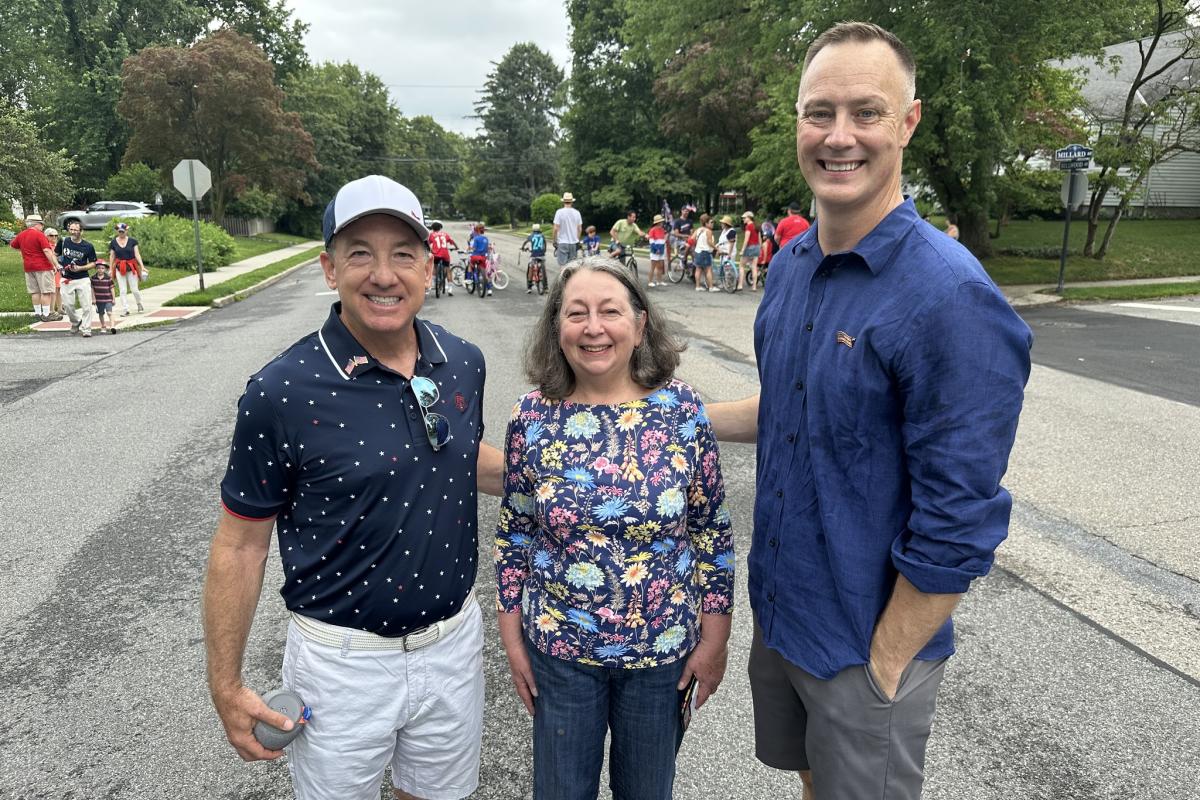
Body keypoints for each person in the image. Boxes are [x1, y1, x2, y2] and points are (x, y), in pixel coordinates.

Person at [705, 22, 1032, 800]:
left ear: (908, 122)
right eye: (819, 112)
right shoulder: (790, 268)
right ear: (797, 124)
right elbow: (792, 410)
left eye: (867, 112)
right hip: (787, 615)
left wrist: (888, 661)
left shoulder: (951, 298)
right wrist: (663, 412)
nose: (839, 136)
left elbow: (962, 518)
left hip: (867, 645)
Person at [203, 175, 504, 800]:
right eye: (360, 252)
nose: (384, 274)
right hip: (342, 665)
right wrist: (225, 683)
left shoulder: (463, 360)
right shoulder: (281, 392)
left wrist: (585, 470)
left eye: (402, 253)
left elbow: (453, 454)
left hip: (451, 646)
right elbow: (240, 546)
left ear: (429, 264)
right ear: (328, 268)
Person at [495, 256, 734, 800]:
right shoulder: (531, 417)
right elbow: (515, 534)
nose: (593, 328)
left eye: (610, 311)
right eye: (576, 313)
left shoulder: (682, 409)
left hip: (660, 656)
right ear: (557, 327)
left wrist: (715, 638)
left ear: (640, 323)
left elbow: (711, 530)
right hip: (560, 651)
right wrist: (512, 638)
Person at [9, 214, 62, 321]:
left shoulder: (22, 235)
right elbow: (47, 251)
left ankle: (37, 313)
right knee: (46, 291)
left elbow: (12, 245)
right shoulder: (39, 235)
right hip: (43, 266)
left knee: (35, 291)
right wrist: (56, 264)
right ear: (37, 224)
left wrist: (25, 251)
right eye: (41, 224)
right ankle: (47, 314)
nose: (42, 226)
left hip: (28, 266)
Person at [59, 221, 97, 337]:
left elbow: (93, 263)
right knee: (68, 305)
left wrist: (81, 268)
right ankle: (76, 321)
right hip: (66, 278)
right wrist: (57, 265)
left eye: (76, 230)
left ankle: (86, 329)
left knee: (86, 305)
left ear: (81, 231)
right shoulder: (63, 241)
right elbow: (55, 254)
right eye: (71, 229)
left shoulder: (88, 246)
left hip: (82, 278)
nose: (73, 232)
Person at [108, 222, 146, 316]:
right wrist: (110, 268)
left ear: (127, 230)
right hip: (119, 267)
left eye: (123, 231)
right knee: (123, 290)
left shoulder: (133, 241)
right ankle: (126, 309)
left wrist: (142, 266)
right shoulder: (113, 242)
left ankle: (139, 303)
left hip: (131, 266)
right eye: (119, 231)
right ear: (117, 231)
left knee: (134, 289)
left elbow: (137, 254)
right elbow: (112, 256)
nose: (121, 233)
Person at [552, 191, 583, 267]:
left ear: (564, 202)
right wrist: (577, 240)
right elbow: (580, 229)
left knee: (563, 266)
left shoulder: (559, 212)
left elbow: (555, 228)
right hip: (573, 243)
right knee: (572, 267)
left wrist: (554, 240)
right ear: (572, 202)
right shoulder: (577, 213)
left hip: (562, 242)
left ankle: (563, 278)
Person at [427, 220, 457, 297]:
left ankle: (434, 282)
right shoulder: (445, 234)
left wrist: (430, 250)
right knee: (447, 269)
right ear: (440, 228)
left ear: (432, 228)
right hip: (445, 254)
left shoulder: (431, 235)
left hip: (436, 254)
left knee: (435, 266)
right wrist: (456, 247)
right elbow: (452, 241)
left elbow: (428, 243)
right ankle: (450, 289)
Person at [90, 259, 117, 334]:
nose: (100, 270)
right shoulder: (93, 278)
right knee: (101, 313)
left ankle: (112, 326)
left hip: (108, 299)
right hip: (98, 300)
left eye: (102, 268)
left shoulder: (108, 278)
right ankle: (103, 326)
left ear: (105, 269)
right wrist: (93, 298)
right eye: (98, 268)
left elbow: (112, 289)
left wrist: (113, 299)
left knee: (109, 312)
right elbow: (92, 289)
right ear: (96, 269)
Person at [692, 213, 717, 292]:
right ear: (706, 223)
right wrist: (716, 248)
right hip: (705, 251)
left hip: (698, 251)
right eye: (711, 222)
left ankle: (697, 286)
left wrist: (698, 243)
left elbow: (692, 238)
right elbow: (709, 242)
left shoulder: (698, 229)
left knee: (698, 269)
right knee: (708, 269)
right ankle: (711, 287)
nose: (713, 224)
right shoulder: (708, 231)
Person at [522, 223, 548, 293]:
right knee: (544, 269)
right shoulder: (542, 235)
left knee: (530, 268)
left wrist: (522, 248)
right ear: (539, 229)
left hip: (534, 255)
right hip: (542, 255)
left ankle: (529, 287)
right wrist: (544, 250)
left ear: (533, 229)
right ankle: (546, 287)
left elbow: (525, 242)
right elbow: (545, 243)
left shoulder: (531, 236)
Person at [645, 213, 671, 287]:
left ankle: (659, 281)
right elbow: (651, 242)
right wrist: (656, 249)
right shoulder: (652, 230)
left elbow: (663, 241)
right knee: (653, 267)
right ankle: (650, 282)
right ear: (658, 222)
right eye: (661, 222)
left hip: (661, 250)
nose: (662, 223)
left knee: (660, 266)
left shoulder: (662, 230)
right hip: (655, 251)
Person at [739, 211, 761, 291]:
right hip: (756, 247)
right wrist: (760, 248)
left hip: (749, 247)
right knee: (754, 267)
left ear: (749, 218)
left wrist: (742, 250)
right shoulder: (756, 226)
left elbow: (746, 239)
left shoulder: (748, 226)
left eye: (744, 218)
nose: (743, 219)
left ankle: (740, 285)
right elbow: (759, 239)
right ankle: (754, 286)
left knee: (741, 266)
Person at [469, 222, 492, 297]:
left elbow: (474, 247)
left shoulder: (476, 238)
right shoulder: (486, 238)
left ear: (477, 230)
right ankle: (489, 289)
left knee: (470, 264)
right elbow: (487, 248)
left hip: (475, 256)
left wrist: (469, 248)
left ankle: (469, 279)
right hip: (483, 257)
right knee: (484, 272)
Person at [670, 204, 695, 270]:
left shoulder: (690, 221)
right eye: (685, 211)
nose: (686, 212)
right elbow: (676, 234)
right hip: (679, 241)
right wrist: (685, 236)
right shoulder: (677, 221)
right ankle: (684, 260)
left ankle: (694, 268)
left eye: (688, 211)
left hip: (689, 240)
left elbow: (692, 232)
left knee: (694, 251)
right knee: (688, 246)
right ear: (682, 211)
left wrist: (692, 236)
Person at [46, 227, 64, 317]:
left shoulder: (58, 245)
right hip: (51, 269)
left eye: (56, 235)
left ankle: (60, 308)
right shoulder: (46, 246)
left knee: (59, 288)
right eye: (51, 235)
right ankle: (51, 309)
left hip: (59, 269)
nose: (54, 237)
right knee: (53, 290)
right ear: (46, 236)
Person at [715, 215, 737, 287]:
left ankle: (730, 283)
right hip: (723, 251)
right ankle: (724, 282)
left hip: (728, 252)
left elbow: (732, 243)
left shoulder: (731, 232)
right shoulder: (724, 231)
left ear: (726, 224)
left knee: (728, 269)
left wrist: (729, 254)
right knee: (723, 268)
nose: (721, 224)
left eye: (722, 223)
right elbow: (721, 241)